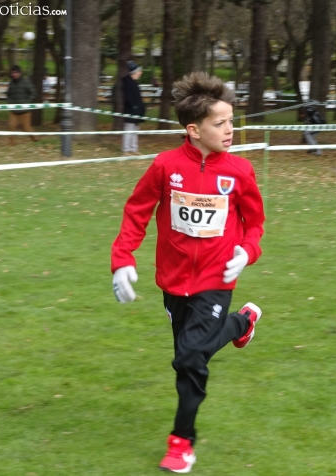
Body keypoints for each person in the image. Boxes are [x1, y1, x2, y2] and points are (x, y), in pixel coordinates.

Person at [110, 72, 265, 473]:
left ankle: (181, 443)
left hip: (217, 279)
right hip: (173, 281)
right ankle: (241, 323)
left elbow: (256, 222)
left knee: (191, 358)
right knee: (188, 352)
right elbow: (136, 212)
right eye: (221, 123)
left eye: (232, 120)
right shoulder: (164, 166)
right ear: (193, 130)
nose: (231, 130)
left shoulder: (240, 171)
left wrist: (247, 253)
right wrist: (123, 259)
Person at [6, 65, 37, 145]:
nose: (14, 74)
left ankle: (35, 139)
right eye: (12, 73)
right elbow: (8, 95)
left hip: (25, 111)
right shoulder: (11, 83)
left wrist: (27, 103)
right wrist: (10, 102)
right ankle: (11, 143)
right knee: (11, 126)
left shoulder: (26, 82)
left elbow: (33, 93)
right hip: (14, 110)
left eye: (15, 72)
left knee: (26, 128)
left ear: (20, 73)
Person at [121, 61, 146, 156]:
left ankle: (134, 148)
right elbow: (127, 96)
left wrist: (140, 108)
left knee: (135, 130)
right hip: (130, 110)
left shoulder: (135, 82)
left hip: (137, 111)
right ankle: (126, 150)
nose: (141, 73)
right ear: (135, 72)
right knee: (129, 129)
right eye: (139, 71)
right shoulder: (127, 82)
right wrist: (133, 106)